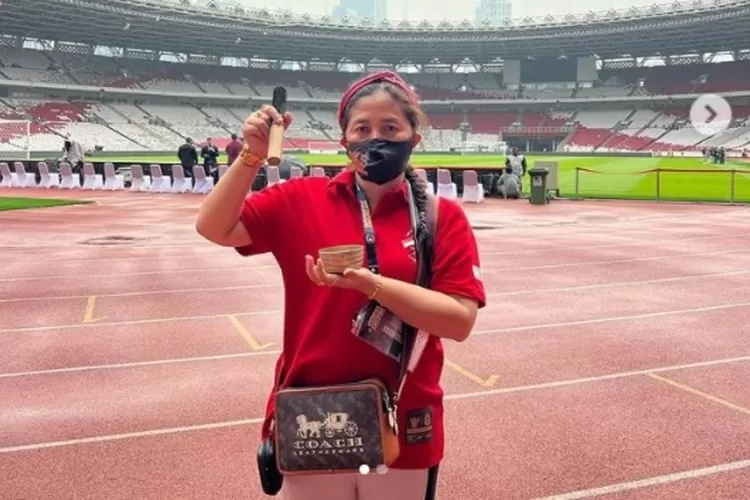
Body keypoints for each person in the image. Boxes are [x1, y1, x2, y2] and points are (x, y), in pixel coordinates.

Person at [195, 71, 486, 500]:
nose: (375, 139)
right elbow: (214, 227)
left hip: (402, 420)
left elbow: (459, 321)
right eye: (362, 129)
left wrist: (373, 286)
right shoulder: (301, 199)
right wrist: (251, 157)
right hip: (312, 416)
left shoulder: (441, 218)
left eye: (391, 128)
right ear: (344, 141)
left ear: (414, 139)